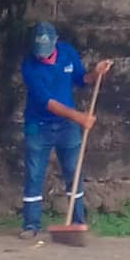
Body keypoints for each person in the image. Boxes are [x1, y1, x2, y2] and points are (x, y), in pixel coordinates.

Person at [19, 21, 113, 239]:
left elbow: (82, 79)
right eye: (39, 51)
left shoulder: (67, 53)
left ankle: (77, 222)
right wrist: (80, 117)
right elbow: (48, 103)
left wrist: (96, 73)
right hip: (38, 126)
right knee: (34, 174)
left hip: (67, 127)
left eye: (46, 51)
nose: (42, 56)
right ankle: (31, 225)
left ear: (56, 42)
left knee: (74, 171)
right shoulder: (29, 66)